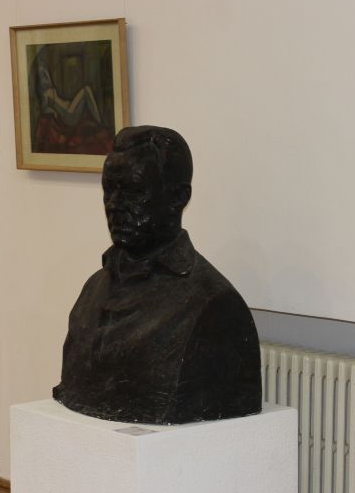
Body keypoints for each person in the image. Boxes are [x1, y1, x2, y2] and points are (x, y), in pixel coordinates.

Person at [53, 125, 262, 424]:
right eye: (109, 190)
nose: (114, 205)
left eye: (134, 191)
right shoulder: (93, 289)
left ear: (178, 197)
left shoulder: (215, 305)